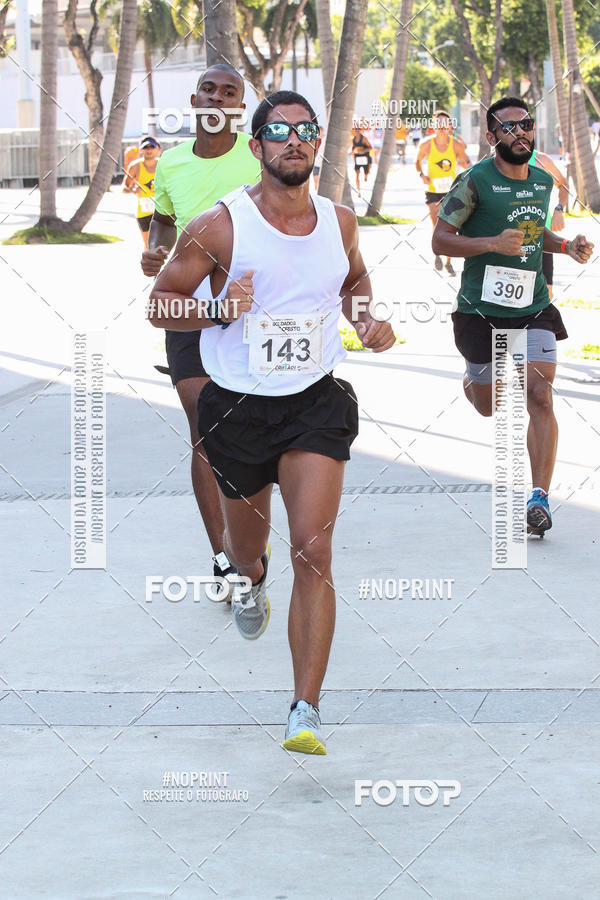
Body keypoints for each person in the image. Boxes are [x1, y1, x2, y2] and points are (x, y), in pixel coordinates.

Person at [148, 90, 396, 754]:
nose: (294, 140)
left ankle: (304, 709)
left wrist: (366, 318)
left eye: (305, 131)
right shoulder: (219, 226)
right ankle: (248, 579)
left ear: (317, 145)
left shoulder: (340, 221)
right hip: (237, 408)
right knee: (248, 550)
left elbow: (354, 280)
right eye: (279, 131)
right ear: (255, 147)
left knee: (313, 550)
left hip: (314, 402)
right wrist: (220, 309)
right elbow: (160, 306)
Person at [432, 96, 593, 536]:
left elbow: (533, 232)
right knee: (489, 405)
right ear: (491, 137)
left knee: (540, 395)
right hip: (480, 312)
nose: (519, 132)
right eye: (508, 127)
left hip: (532, 306)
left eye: (525, 125)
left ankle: (539, 497)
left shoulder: (541, 182)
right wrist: (489, 244)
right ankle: (473, 380)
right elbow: (440, 240)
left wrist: (565, 246)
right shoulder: (474, 181)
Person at [141, 64, 261, 579]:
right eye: (208, 89)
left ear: (239, 106)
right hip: (190, 312)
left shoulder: (259, 158)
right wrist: (155, 252)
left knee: (253, 430)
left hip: (255, 312)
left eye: (228, 92)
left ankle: (250, 535)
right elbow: (162, 220)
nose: (217, 98)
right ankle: (225, 556)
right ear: (194, 100)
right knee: (204, 428)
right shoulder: (169, 164)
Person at [416, 110, 470, 276]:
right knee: (436, 224)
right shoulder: (426, 144)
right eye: (438, 123)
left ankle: (448, 261)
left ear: (449, 126)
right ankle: (437, 253)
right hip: (433, 190)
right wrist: (422, 175)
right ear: (433, 126)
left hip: (451, 190)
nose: (441, 127)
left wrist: (464, 165)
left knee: (450, 226)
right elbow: (417, 162)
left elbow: (466, 161)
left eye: (445, 123)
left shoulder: (456, 145)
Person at [529, 149, 569, 299]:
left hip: (541, 236)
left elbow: (563, 184)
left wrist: (559, 210)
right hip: (508, 240)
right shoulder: (495, 161)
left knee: (546, 293)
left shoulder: (541, 160)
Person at [123, 136, 161, 248]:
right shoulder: (135, 166)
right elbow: (124, 188)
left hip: (161, 211)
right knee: (149, 245)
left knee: (161, 245)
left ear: (157, 149)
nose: (149, 150)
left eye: (152, 147)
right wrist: (133, 190)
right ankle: (149, 264)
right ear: (141, 150)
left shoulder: (163, 165)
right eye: (146, 147)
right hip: (144, 211)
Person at [350, 126, 373, 192]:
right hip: (357, 157)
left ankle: (366, 177)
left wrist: (362, 151)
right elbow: (353, 148)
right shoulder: (353, 139)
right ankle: (358, 188)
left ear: (360, 131)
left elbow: (370, 147)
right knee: (357, 173)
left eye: (357, 130)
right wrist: (352, 153)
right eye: (354, 130)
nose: (355, 132)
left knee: (366, 172)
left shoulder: (364, 139)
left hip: (365, 156)